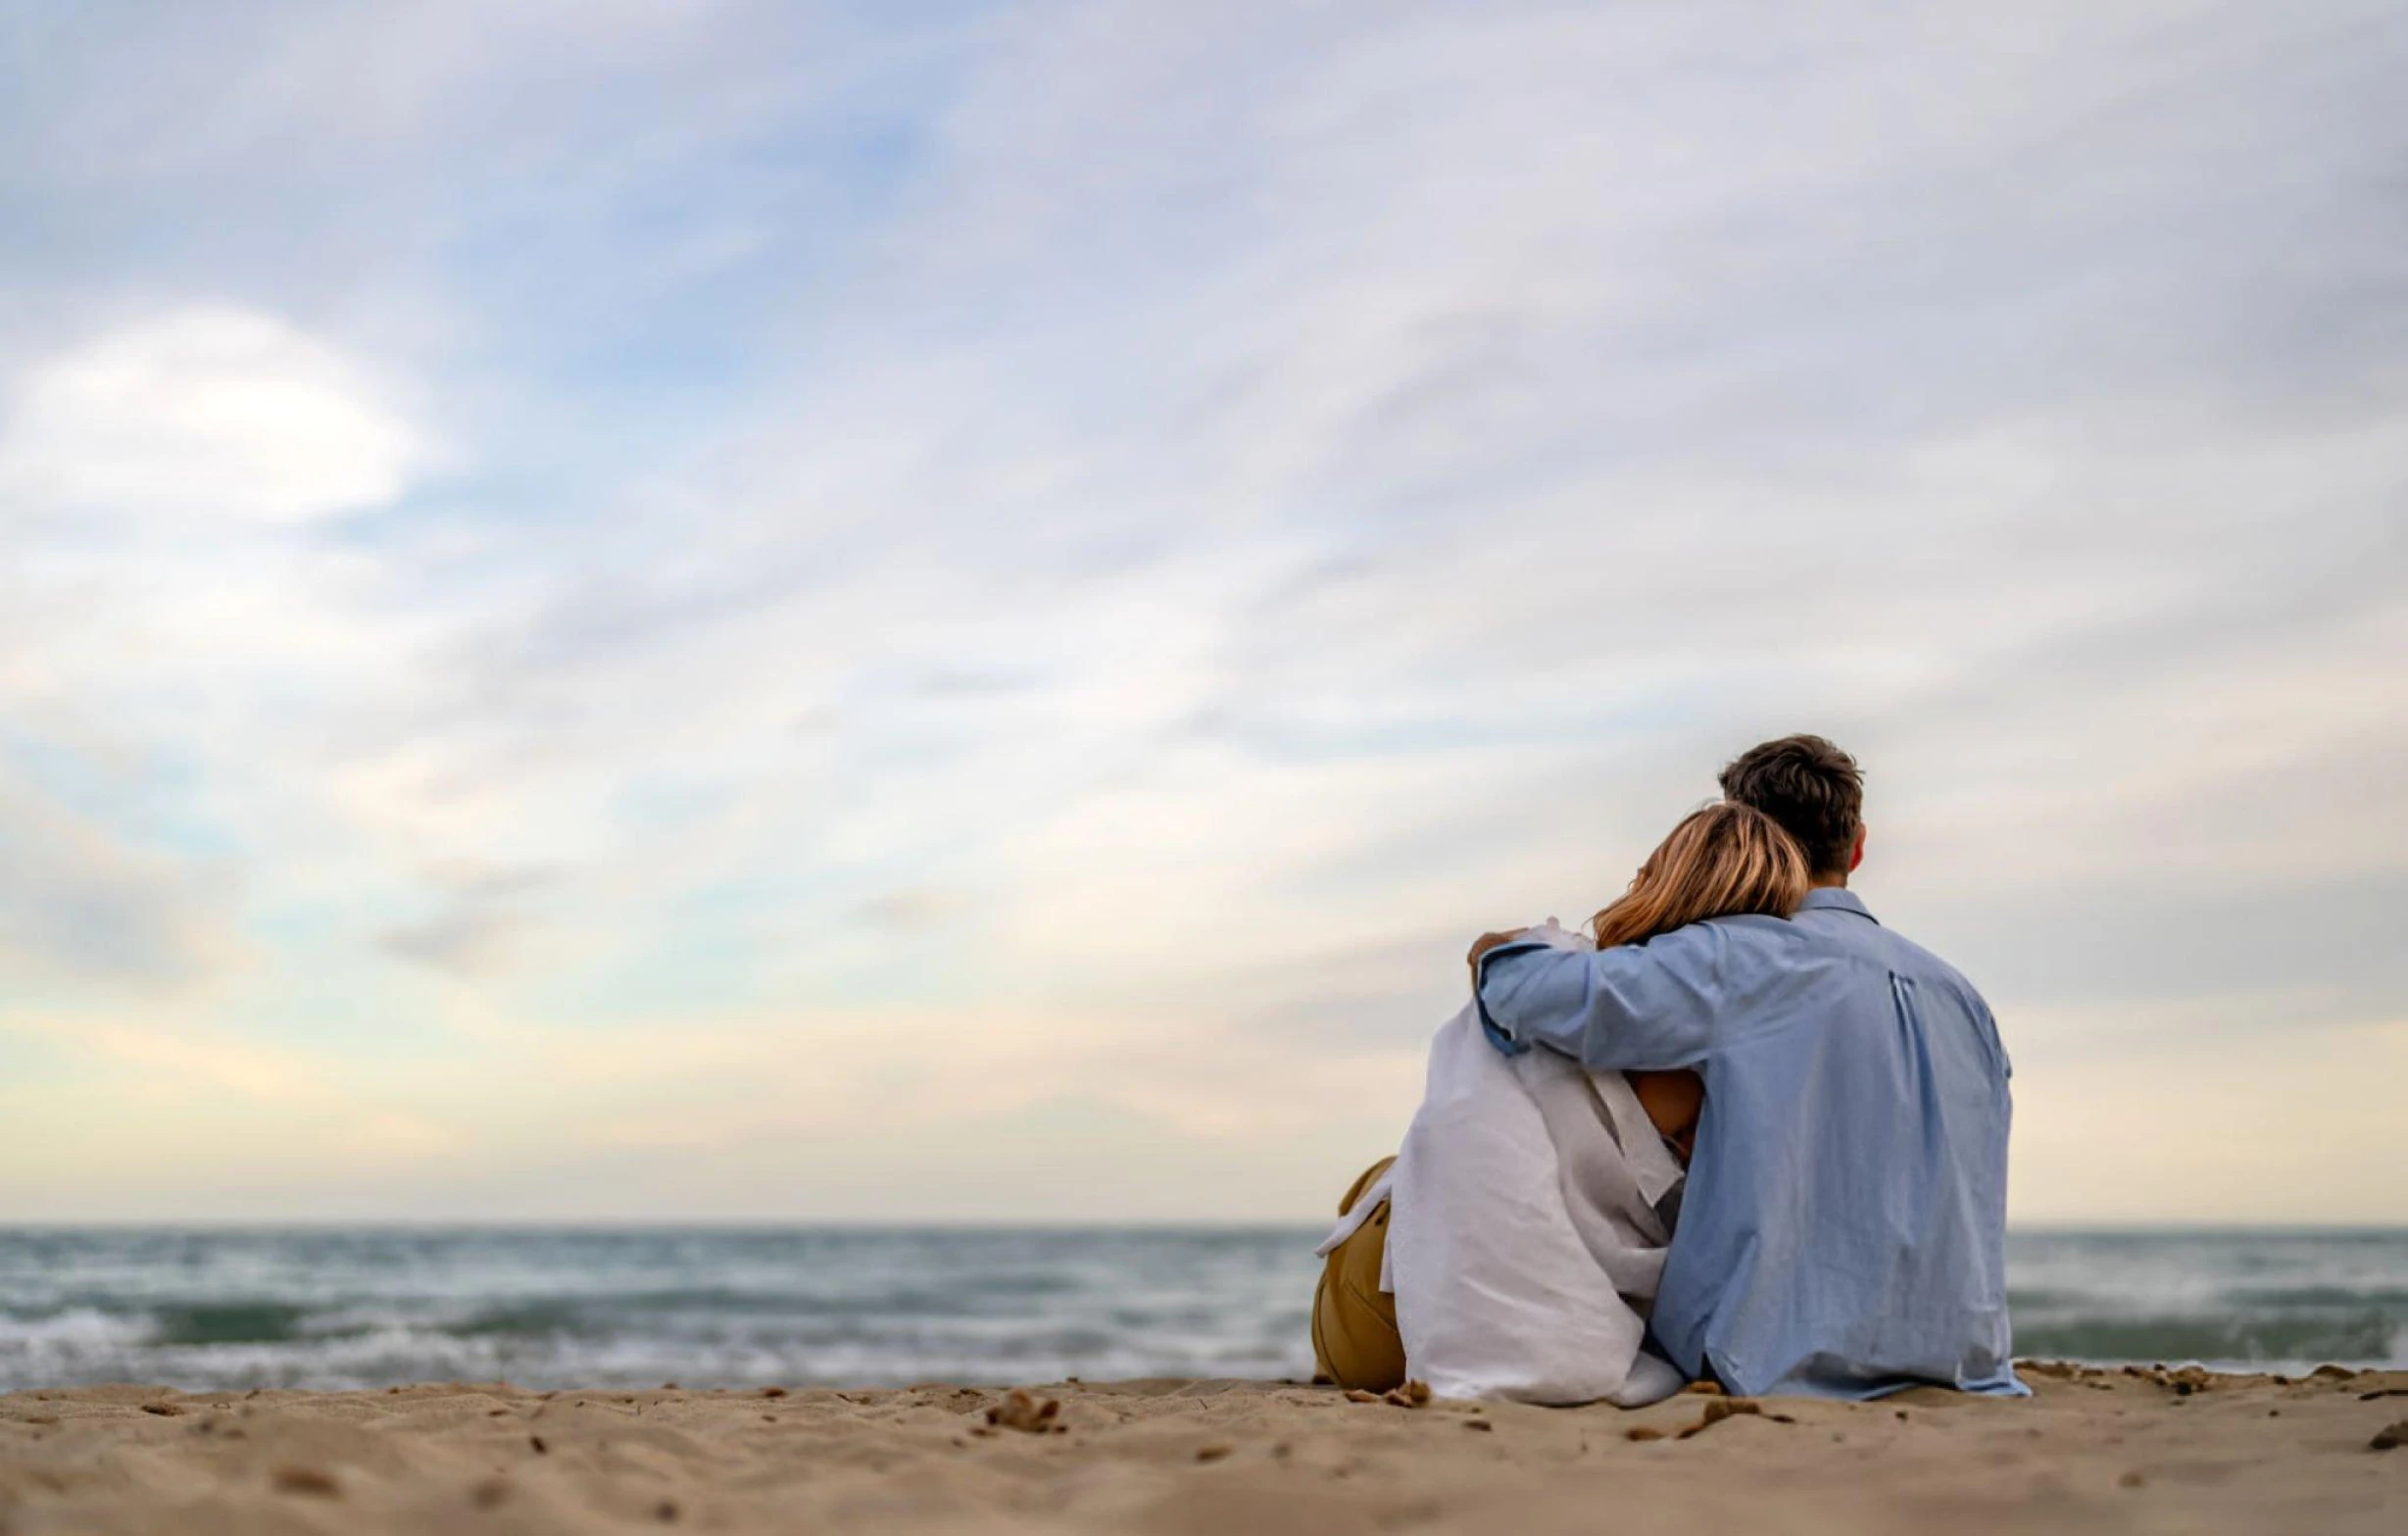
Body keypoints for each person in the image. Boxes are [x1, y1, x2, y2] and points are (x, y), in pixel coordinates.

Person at [1470, 735, 2023, 1399]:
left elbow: (1533, 997)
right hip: (1963, 1366)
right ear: (1856, 847)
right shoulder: (1962, 997)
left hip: (1766, 1359)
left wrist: (1499, 950)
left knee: (1518, 1050)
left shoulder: (1739, 958)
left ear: (1747, 837)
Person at [1311, 801, 1809, 1403]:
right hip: (1448, 1299)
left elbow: (1489, 968)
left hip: (1393, 1307)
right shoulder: (1769, 1045)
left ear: (1665, 883)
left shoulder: (1574, 981)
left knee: (1388, 1178)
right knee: (1391, 1179)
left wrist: (1509, 954)